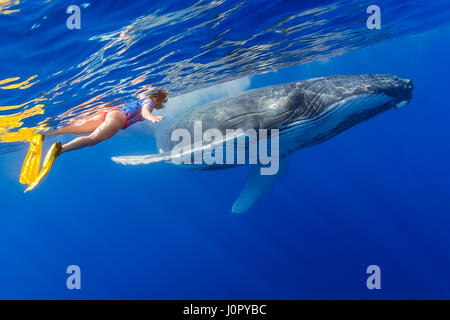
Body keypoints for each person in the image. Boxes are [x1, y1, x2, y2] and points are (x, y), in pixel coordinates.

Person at [20, 89, 168, 192]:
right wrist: (152, 118)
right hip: (119, 117)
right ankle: (60, 150)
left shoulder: (138, 96)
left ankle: (46, 134)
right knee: (93, 139)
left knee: (75, 128)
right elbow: (145, 111)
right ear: (158, 100)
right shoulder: (149, 102)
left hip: (109, 111)